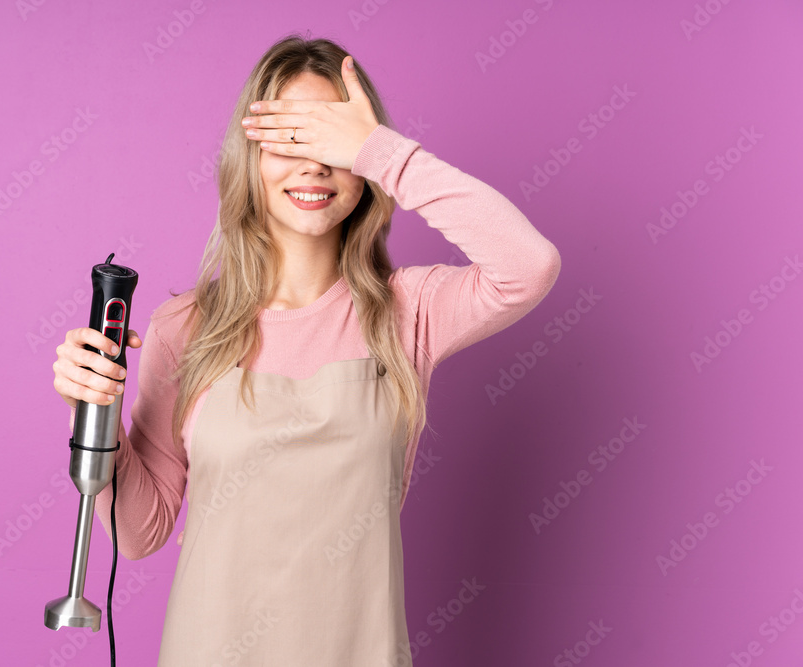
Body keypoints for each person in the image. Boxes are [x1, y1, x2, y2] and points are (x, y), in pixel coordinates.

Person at [52, 33, 561, 667]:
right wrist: (90, 410)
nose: (314, 165)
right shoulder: (187, 326)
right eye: (290, 139)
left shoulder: (408, 312)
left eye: (331, 142)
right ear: (250, 159)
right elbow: (137, 532)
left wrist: (383, 152)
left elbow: (529, 265)